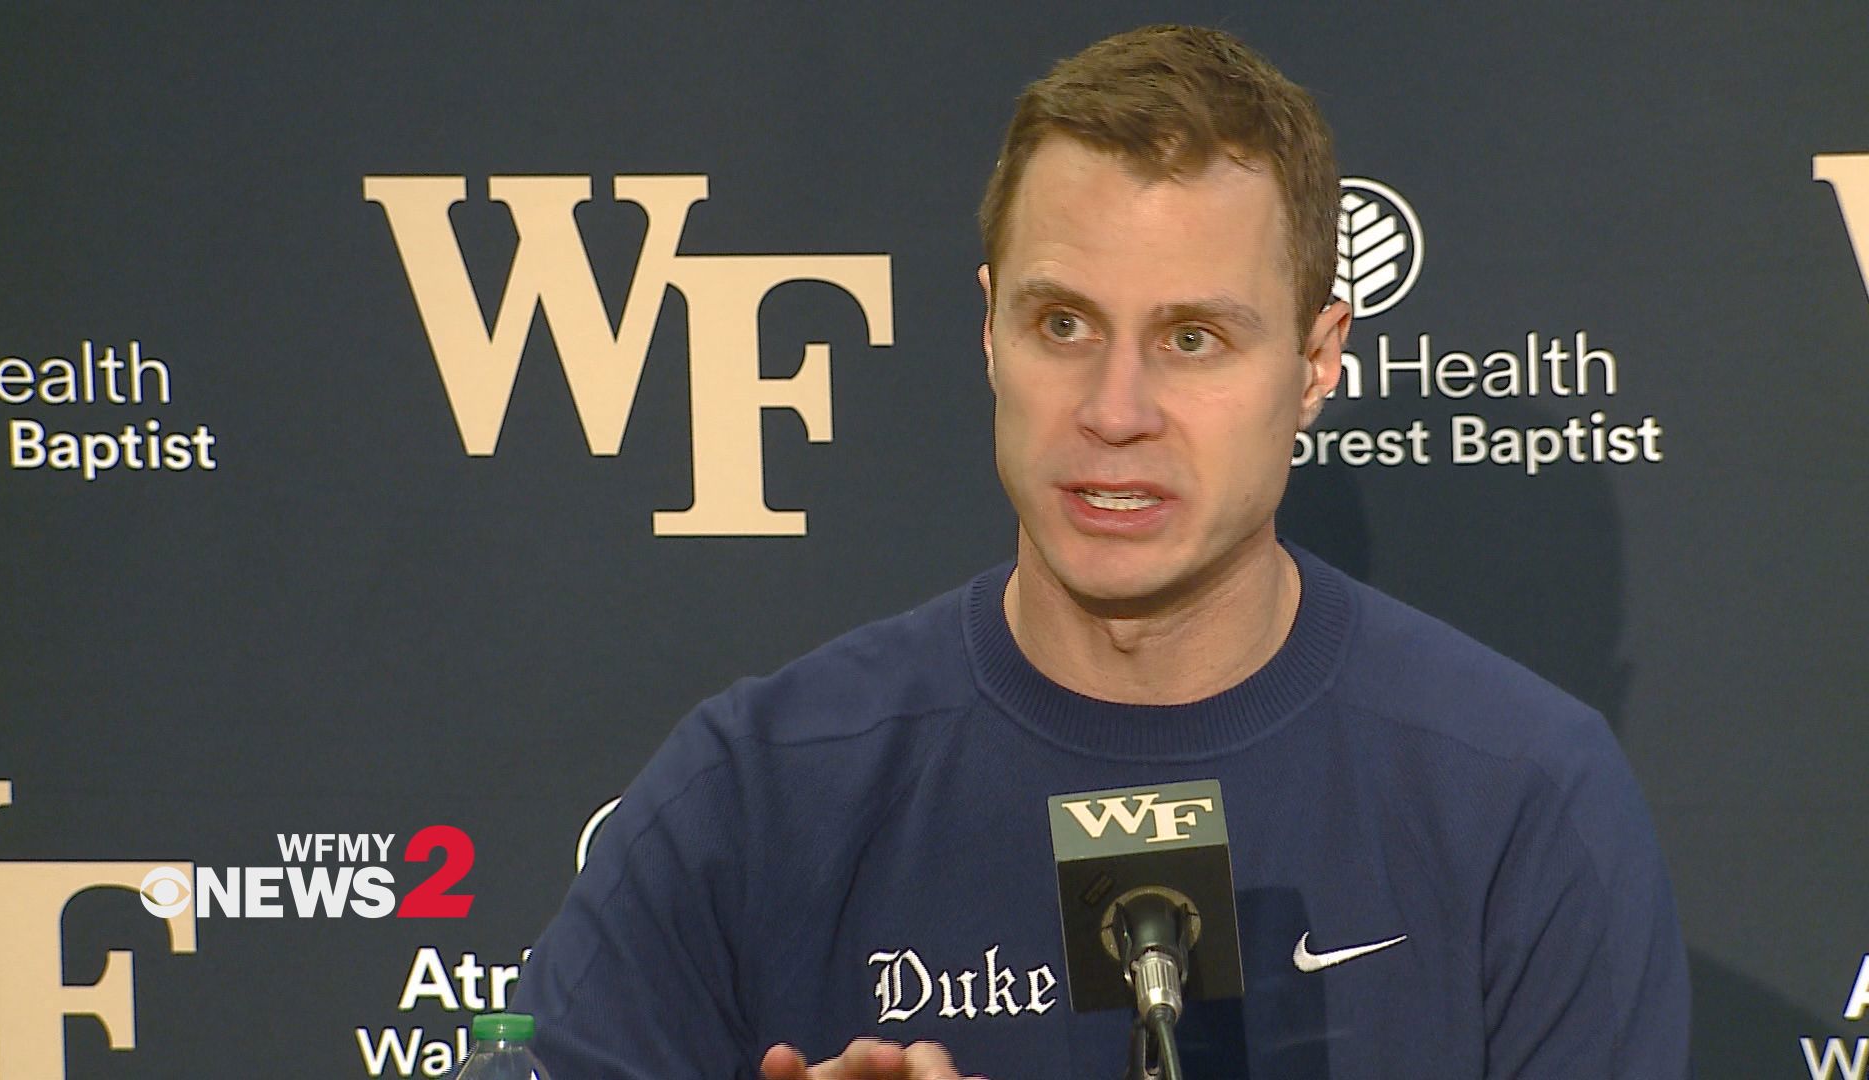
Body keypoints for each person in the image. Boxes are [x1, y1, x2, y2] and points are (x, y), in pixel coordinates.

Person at [513, 23, 1691, 1079]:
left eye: (1192, 336)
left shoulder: (1526, 803)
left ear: (1318, 362)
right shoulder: (756, 794)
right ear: (988, 331)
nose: (1115, 407)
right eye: (1062, 323)